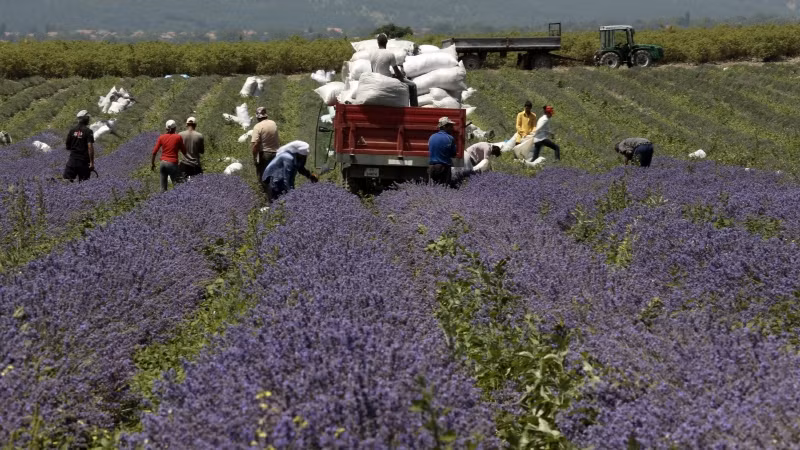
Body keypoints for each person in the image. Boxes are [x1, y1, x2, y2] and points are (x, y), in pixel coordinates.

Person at [370, 33, 418, 107]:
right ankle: (415, 109)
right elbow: (397, 73)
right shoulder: (390, 54)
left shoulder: (372, 53)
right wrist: (402, 76)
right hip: (387, 80)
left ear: (377, 42)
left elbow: (372, 70)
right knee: (413, 85)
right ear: (386, 42)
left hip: (376, 78)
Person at [151, 120, 188, 191]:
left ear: (166, 128)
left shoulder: (161, 137)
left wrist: (153, 164)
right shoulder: (178, 137)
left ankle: (163, 200)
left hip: (163, 164)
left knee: (163, 188)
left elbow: (154, 152)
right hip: (172, 164)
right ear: (175, 128)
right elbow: (184, 151)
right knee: (177, 186)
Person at [251, 107, 280, 194]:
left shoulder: (258, 127)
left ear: (258, 117)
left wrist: (255, 157)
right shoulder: (273, 123)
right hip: (276, 153)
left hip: (265, 154)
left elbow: (255, 144)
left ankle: (266, 198)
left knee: (263, 178)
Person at [63, 110, 95, 182]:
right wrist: (92, 163)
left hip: (72, 161)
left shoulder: (72, 130)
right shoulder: (88, 131)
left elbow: (67, 146)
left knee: (67, 183)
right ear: (86, 119)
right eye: (88, 118)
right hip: (83, 162)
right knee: (84, 184)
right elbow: (90, 147)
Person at [428, 116, 457, 186]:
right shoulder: (450, 138)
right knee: (444, 188)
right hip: (444, 167)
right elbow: (453, 154)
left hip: (431, 167)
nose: (452, 128)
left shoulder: (432, 137)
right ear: (444, 127)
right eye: (450, 126)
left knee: (432, 187)